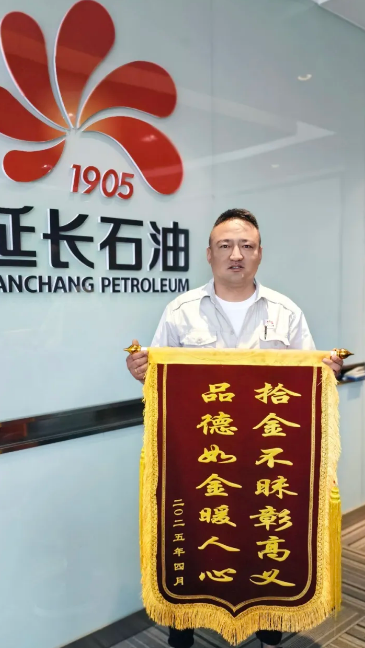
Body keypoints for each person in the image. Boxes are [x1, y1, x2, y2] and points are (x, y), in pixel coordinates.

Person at [126, 208, 343, 648]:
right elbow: (159, 381)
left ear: (260, 253)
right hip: (199, 461)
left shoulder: (286, 312)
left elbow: (308, 380)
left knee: (267, 538)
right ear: (209, 254)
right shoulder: (181, 311)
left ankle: (269, 631)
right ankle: (182, 632)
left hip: (268, 459)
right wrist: (140, 370)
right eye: (225, 245)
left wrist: (327, 372)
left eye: (246, 245)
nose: (236, 255)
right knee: (193, 538)